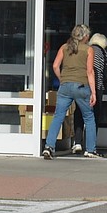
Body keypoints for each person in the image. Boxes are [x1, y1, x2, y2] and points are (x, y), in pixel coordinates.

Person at [42, 24, 100, 159]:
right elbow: (90, 72)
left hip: (65, 86)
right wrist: (94, 93)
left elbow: (55, 65)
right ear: (85, 36)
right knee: (89, 118)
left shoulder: (64, 47)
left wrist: (62, 79)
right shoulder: (88, 50)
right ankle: (90, 150)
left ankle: (49, 147)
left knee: (58, 116)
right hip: (81, 86)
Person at [72, 32, 107, 154]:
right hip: (96, 87)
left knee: (79, 113)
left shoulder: (86, 50)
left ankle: (77, 143)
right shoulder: (103, 53)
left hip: (81, 85)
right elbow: (106, 75)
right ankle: (90, 146)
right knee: (93, 116)